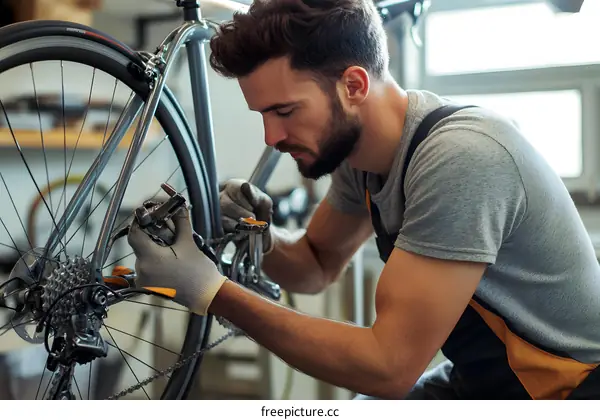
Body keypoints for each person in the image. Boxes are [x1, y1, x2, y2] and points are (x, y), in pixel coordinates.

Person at [127, 0, 600, 399]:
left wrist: (212, 292)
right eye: (262, 115)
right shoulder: (364, 158)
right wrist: (262, 236)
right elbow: (315, 264)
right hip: (483, 382)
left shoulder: (460, 158)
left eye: (285, 111)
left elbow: (389, 367)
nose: (271, 137)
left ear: (353, 85)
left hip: (568, 393)